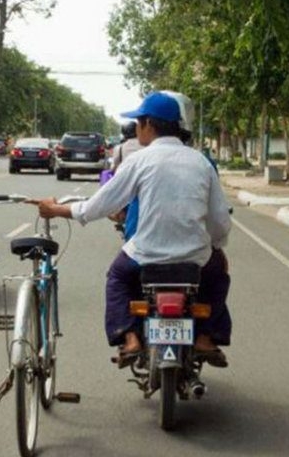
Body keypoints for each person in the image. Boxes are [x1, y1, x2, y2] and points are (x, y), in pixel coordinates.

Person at [30, 91, 233, 367]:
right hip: (194, 259)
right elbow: (219, 221)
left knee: (117, 278)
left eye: (138, 122)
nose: (137, 128)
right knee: (218, 274)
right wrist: (216, 246)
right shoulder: (201, 162)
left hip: (145, 256)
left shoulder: (139, 160)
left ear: (149, 124)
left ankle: (129, 338)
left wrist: (56, 210)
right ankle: (207, 338)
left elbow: (96, 207)